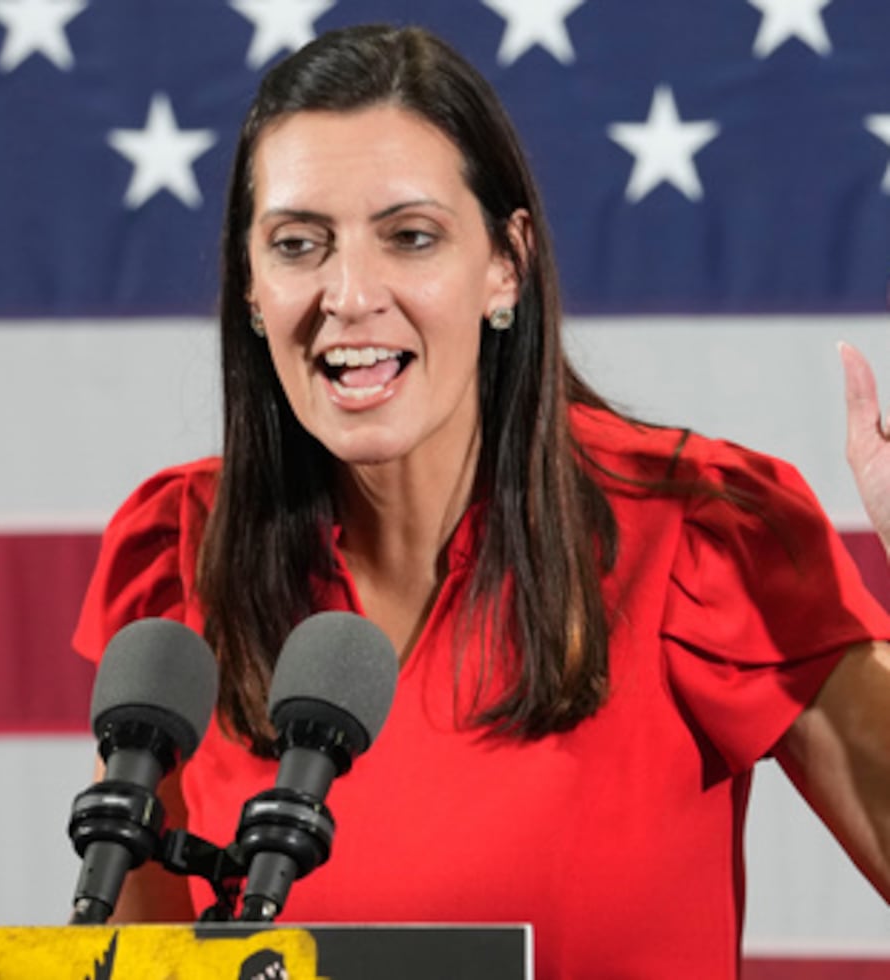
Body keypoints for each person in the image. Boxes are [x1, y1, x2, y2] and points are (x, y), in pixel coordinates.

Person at [72, 23, 890, 979]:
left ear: (507, 263)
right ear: (251, 287)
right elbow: (132, 961)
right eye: (298, 244)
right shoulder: (178, 550)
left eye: (410, 237)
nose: (349, 294)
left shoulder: (704, 532)